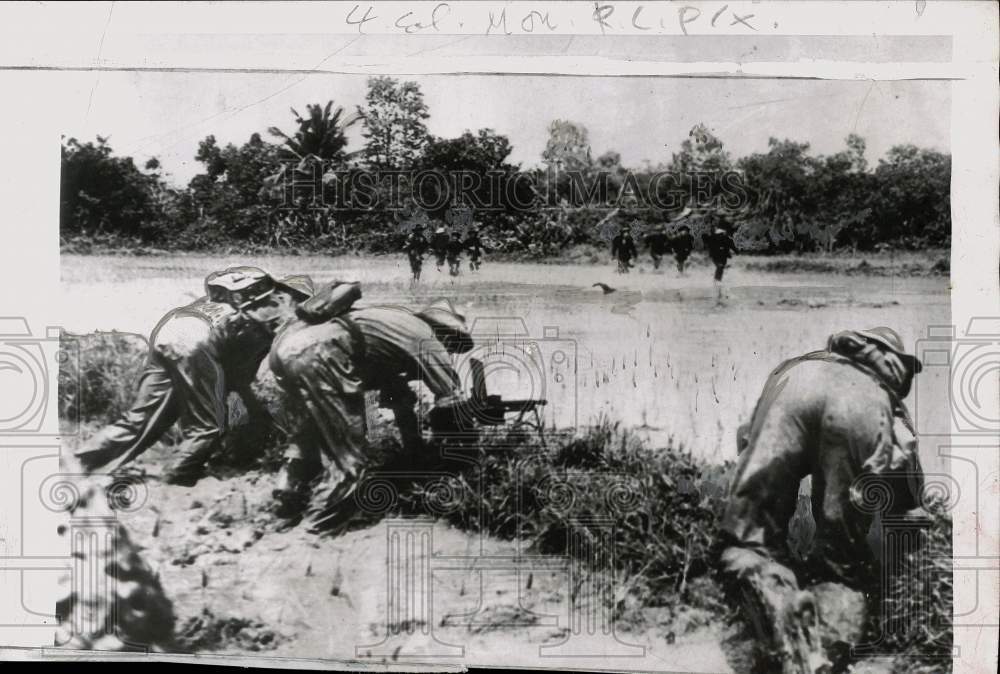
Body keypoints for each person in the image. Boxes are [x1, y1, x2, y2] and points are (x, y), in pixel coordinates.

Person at [716, 327, 924, 673]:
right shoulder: (885, 397)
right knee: (841, 559)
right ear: (895, 366)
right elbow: (908, 496)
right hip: (862, 408)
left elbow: (746, 438)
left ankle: (775, 597)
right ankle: (822, 649)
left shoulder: (806, 363)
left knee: (749, 536)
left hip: (793, 385)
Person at [229, 281, 472, 534]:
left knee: (314, 429)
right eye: (454, 346)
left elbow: (399, 400)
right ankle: (318, 527)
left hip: (286, 353)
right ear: (447, 333)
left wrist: (413, 449)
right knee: (348, 452)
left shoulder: (393, 324)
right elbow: (451, 401)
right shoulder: (428, 340)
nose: (451, 352)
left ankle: (285, 497)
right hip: (319, 356)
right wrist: (460, 455)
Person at [72, 267, 312, 486]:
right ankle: (177, 478)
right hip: (199, 348)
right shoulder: (277, 307)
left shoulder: (235, 299)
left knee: (140, 418)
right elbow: (246, 365)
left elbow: (235, 368)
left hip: (172, 336)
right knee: (207, 424)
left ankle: (80, 463)